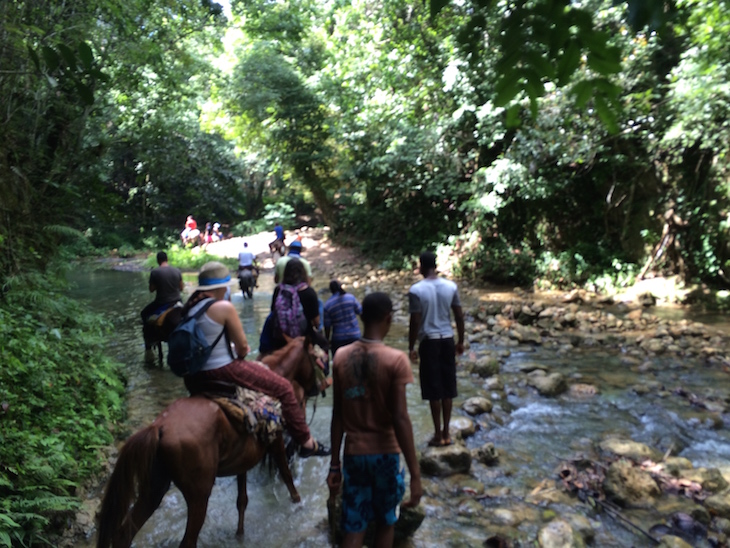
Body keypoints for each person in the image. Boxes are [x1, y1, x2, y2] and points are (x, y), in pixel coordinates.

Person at [181, 261, 330, 458]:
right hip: (223, 369)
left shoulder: (189, 308)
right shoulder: (223, 307)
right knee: (285, 388)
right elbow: (242, 349)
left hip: (192, 376)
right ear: (220, 287)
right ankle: (307, 442)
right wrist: (239, 351)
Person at [327, 292, 422, 548]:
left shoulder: (340, 357)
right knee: (385, 523)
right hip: (386, 455)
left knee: (354, 526)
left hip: (354, 454)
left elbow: (337, 416)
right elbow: (401, 418)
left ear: (361, 317)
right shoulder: (396, 360)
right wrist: (415, 473)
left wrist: (334, 464)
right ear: (388, 318)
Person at [408, 251, 465, 447]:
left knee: (434, 389)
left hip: (429, 342)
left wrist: (411, 346)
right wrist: (461, 341)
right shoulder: (451, 286)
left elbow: (415, 320)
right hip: (447, 339)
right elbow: (459, 316)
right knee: (448, 388)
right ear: (436, 265)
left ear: (421, 267)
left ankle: (437, 433)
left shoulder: (416, 290)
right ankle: (447, 433)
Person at [260, 258, 319, 355]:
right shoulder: (309, 292)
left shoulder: (278, 290)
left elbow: (274, 313)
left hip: (279, 340)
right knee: (323, 351)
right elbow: (316, 322)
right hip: (304, 340)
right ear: (303, 273)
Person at [140, 251, 184, 363]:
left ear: (158, 260)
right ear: (167, 259)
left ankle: (150, 340)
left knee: (144, 314)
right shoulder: (177, 270)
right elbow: (181, 288)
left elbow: (151, 289)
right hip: (177, 302)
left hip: (162, 302)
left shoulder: (155, 272)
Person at [323, 280, 362, 357]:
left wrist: (327, 341)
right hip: (355, 336)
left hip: (338, 339)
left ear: (331, 290)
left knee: (339, 363)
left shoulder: (328, 305)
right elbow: (360, 312)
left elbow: (327, 327)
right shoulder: (351, 298)